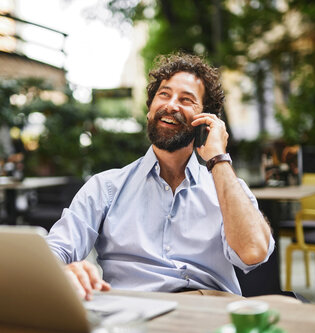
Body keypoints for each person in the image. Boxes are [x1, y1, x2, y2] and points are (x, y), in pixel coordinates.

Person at [46, 53, 274, 301]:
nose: (171, 105)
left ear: (206, 121)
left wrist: (218, 158)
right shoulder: (105, 187)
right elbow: (56, 248)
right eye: (164, 94)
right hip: (134, 312)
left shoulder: (226, 187)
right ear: (149, 109)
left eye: (186, 99)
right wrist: (63, 271)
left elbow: (254, 252)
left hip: (210, 311)